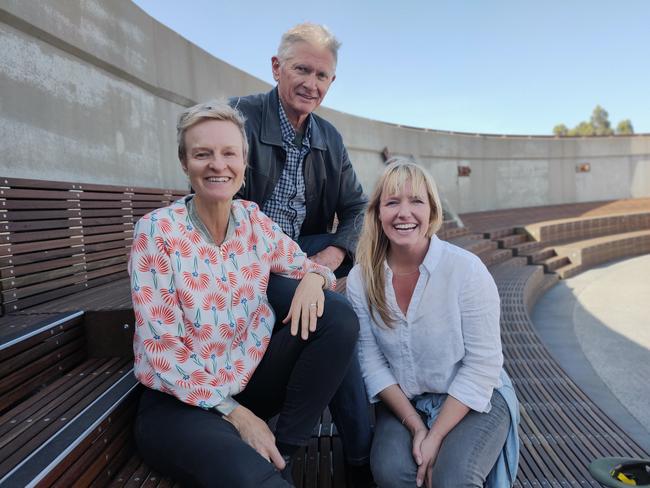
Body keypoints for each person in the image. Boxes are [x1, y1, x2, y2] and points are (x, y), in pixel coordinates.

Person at [129, 100, 360, 487]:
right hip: (183, 404)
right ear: (185, 163)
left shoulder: (251, 220)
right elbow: (163, 348)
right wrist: (238, 416)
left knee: (338, 318)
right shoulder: (156, 232)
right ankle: (265, 464)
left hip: (249, 381)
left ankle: (283, 448)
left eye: (228, 153)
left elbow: (310, 265)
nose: (218, 165)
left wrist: (315, 279)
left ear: (244, 162)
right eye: (203, 154)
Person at [230, 22, 373, 485]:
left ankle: (354, 455)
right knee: (336, 315)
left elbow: (355, 206)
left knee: (336, 311)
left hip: (306, 250)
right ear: (277, 67)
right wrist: (307, 275)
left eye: (323, 75)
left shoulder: (328, 137)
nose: (312, 83)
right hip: (248, 255)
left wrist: (328, 259)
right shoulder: (240, 117)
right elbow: (219, 203)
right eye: (301, 69)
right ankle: (342, 455)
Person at [345, 159, 520, 488]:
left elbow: (483, 365)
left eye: (416, 201)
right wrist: (416, 427)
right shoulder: (361, 278)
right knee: (392, 473)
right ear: (377, 213)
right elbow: (370, 362)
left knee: (453, 479)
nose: (404, 213)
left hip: (474, 397)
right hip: (406, 401)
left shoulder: (466, 270)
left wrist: (435, 435)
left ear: (432, 211)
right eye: (392, 202)